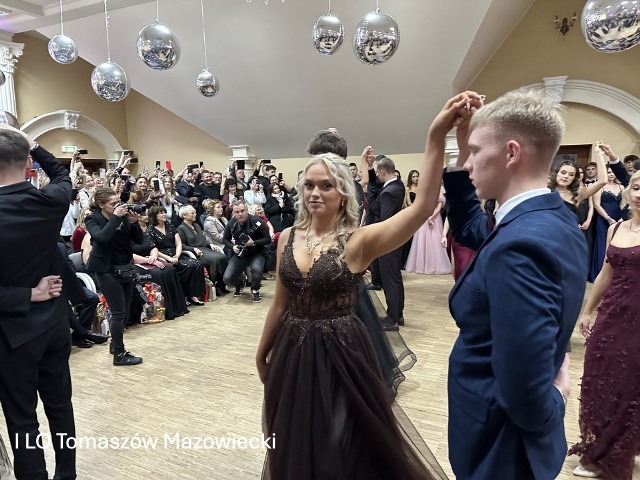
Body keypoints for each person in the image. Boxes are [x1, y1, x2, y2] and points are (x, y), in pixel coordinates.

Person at [256, 135, 451, 477]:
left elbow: (421, 208)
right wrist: (261, 353)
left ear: (343, 193)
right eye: (309, 185)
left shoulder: (357, 241)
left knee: (343, 440)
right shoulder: (288, 237)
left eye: (326, 186)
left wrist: (436, 138)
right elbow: (279, 304)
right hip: (292, 350)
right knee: (296, 435)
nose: (315, 193)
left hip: (341, 353)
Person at [443, 90, 587, 479]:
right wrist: (462, 148)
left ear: (510, 153)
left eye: (475, 151)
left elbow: (523, 392)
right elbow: (471, 229)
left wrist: (556, 398)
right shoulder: (551, 217)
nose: (468, 163)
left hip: (499, 444)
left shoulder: (519, 246)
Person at [0, 126, 77, 480]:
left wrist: (27, 294)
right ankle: (67, 474)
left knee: (22, 419)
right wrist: (33, 143)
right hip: (55, 323)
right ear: (28, 163)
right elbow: (62, 175)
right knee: (61, 407)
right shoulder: (50, 201)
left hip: (13, 333)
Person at [569, 170, 640, 479]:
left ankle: (608, 454)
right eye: (636, 187)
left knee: (629, 385)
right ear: (628, 191)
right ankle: (604, 444)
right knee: (601, 381)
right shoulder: (617, 228)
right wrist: (587, 311)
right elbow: (605, 274)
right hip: (611, 314)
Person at [85, 187, 144, 365]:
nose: (117, 206)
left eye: (118, 202)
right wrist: (117, 217)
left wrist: (134, 223)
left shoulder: (122, 216)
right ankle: (119, 354)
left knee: (124, 312)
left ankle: (114, 344)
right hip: (105, 269)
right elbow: (102, 238)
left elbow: (138, 241)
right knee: (118, 313)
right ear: (101, 205)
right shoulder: (92, 219)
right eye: (112, 204)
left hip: (124, 266)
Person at [367, 155, 406, 328]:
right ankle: (398, 314)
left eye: (377, 172)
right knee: (395, 278)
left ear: (382, 172)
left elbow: (385, 219)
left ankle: (393, 318)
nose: (376, 176)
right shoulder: (398, 185)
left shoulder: (388, 192)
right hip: (396, 239)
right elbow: (375, 186)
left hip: (387, 241)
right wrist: (370, 167)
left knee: (390, 280)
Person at [147, 205, 206, 306]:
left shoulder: (170, 226)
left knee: (196, 264)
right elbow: (154, 248)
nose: (164, 214)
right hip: (162, 256)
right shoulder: (151, 230)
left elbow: (178, 243)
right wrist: (169, 258)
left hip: (176, 254)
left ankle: (192, 294)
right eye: (161, 213)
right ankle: (183, 295)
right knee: (184, 267)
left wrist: (177, 256)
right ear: (154, 216)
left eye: (164, 212)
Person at [222, 200, 271, 303]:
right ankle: (240, 283)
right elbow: (225, 239)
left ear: (247, 210)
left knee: (256, 269)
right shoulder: (231, 223)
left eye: (242, 211)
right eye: (237, 212)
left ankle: (255, 289)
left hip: (257, 252)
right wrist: (232, 247)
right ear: (233, 213)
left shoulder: (257, 222)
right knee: (227, 278)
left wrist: (254, 243)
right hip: (240, 253)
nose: (240, 214)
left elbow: (267, 239)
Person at [177, 204, 228, 293]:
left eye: (195, 213)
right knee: (215, 259)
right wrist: (193, 249)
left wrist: (210, 244)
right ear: (184, 215)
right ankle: (212, 286)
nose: (195, 215)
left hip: (204, 248)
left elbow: (203, 239)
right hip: (195, 252)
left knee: (223, 256)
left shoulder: (196, 225)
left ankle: (221, 283)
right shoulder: (180, 228)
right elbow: (182, 245)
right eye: (192, 213)